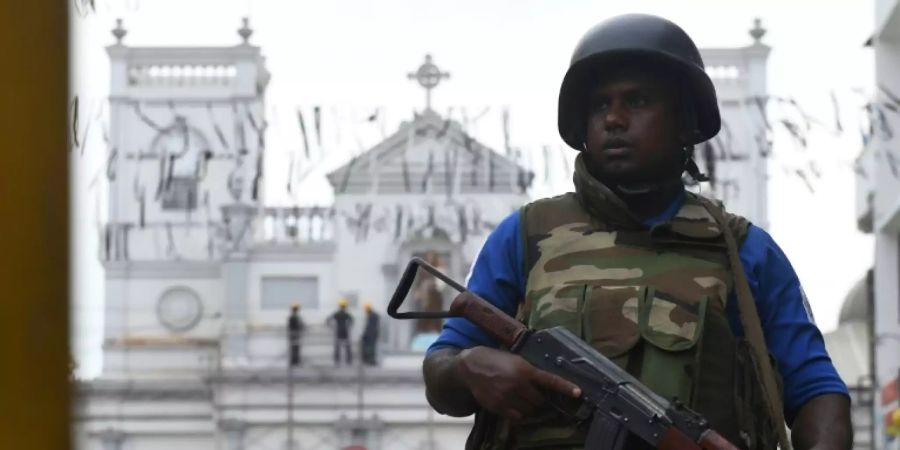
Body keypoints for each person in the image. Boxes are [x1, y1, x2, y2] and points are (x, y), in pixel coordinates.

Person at [422, 14, 851, 450]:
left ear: (685, 121)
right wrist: (469, 368)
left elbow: (817, 392)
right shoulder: (525, 235)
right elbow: (442, 371)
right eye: (599, 105)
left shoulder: (744, 252)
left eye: (638, 101)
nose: (614, 119)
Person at [328, 298, 354, 366]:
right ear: (345, 306)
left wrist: (331, 327)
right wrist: (349, 326)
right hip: (345, 331)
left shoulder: (337, 313)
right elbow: (352, 320)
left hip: (339, 331)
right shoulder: (346, 314)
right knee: (347, 347)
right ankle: (348, 361)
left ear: (339, 306)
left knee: (338, 347)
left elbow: (328, 320)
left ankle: (337, 361)